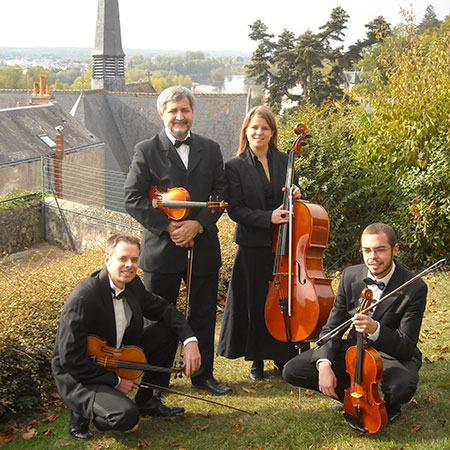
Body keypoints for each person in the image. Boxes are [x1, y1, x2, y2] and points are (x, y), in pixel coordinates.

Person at [124, 86, 231, 395]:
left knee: (203, 314)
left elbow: (221, 194)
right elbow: (132, 198)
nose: (179, 116)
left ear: (192, 113)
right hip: (162, 250)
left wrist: (198, 225)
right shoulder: (145, 150)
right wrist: (170, 227)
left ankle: (203, 376)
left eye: (184, 110)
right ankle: (156, 383)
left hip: (203, 246)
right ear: (162, 114)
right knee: (159, 318)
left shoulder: (211, 149)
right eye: (173, 110)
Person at [51, 234, 202, 440]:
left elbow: (164, 309)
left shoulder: (132, 284)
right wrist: (115, 382)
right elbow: (70, 359)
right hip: (81, 371)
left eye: (134, 260)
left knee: (166, 331)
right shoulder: (83, 298)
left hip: (115, 354)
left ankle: (147, 400)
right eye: (122, 259)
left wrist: (189, 340)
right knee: (126, 417)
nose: (129, 265)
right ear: (108, 260)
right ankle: (81, 412)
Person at [283, 222, 428, 429]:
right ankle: (352, 398)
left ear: (394, 250)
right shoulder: (350, 276)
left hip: (391, 353)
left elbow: (405, 346)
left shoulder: (414, 287)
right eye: (367, 250)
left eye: (380, 249)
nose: (373, 257)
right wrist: (324, 363)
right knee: (293, 369)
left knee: (400, 387)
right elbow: (332, 327)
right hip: (356, 349)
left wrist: (375, 329)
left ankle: (389, 405)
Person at [217, 105, 301, 380]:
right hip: (252, 246)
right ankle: (256, 361)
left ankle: (283, 355)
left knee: (282, 301)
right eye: (254, 127)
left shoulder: (285, 162)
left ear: (272, 132)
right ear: (246, 131)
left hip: (284, 246)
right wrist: (269, 217)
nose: (259, 132)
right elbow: (236, 210)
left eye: (264, 128)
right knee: (254, 302)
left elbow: (292, 203)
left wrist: (298, 194)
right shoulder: (235, 166)